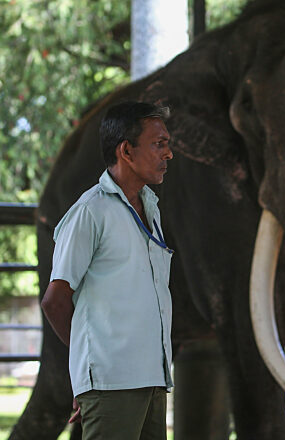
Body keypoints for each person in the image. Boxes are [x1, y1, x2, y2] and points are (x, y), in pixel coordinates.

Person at [41, 101, 174, 440]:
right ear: (126, 151)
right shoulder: (90, 212)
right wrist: (89, 368)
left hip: (154, 381)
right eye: (159, 144)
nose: (168, 153)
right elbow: (55, 300)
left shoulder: (151, 210)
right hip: (111, 383)